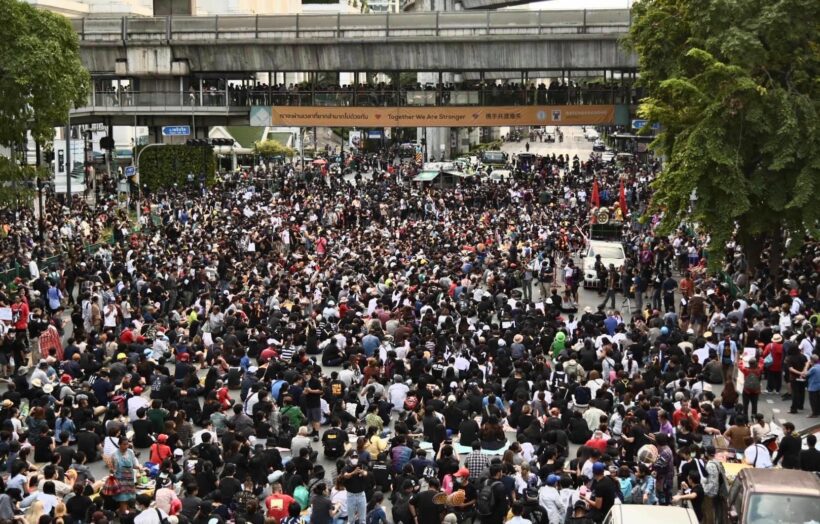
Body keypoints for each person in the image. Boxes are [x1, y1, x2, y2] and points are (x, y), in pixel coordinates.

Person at [106, 436, 143, 513]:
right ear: (119, 444)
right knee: (123, 500)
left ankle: (126, 514)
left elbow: (133, 465)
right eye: (124, 444)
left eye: (127, 444)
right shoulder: (114, 455)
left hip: (129, 479)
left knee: (129, 500)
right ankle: (124, 517)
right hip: (120, 480)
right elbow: (112, 469)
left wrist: (139, 467)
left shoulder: (130, 452)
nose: (126, 446)